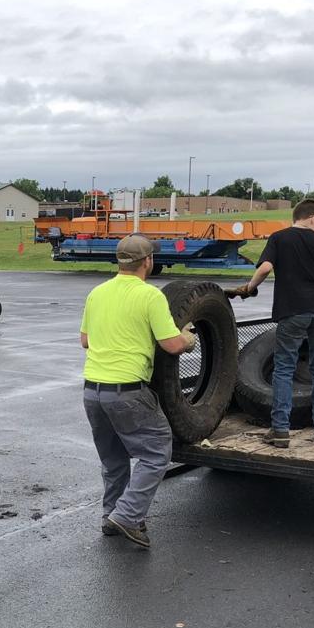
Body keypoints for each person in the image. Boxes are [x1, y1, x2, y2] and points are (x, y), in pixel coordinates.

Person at [80, 234, 195, 549]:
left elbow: (86, 341)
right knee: (157, 452)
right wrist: (188, 338)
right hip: (128, 391)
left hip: (92, 391)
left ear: (119, 261)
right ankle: (127, 516)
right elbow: (170, 344)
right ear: (147, 261)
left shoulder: (97, 293)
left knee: (114, 458)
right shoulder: (150, 296)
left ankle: (110, 516)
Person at [238, 199, 314, 447]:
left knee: (284, 369)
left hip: (292, 310)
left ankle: (280, 429)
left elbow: (264, 268)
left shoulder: (279, 238)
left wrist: (250, 288)